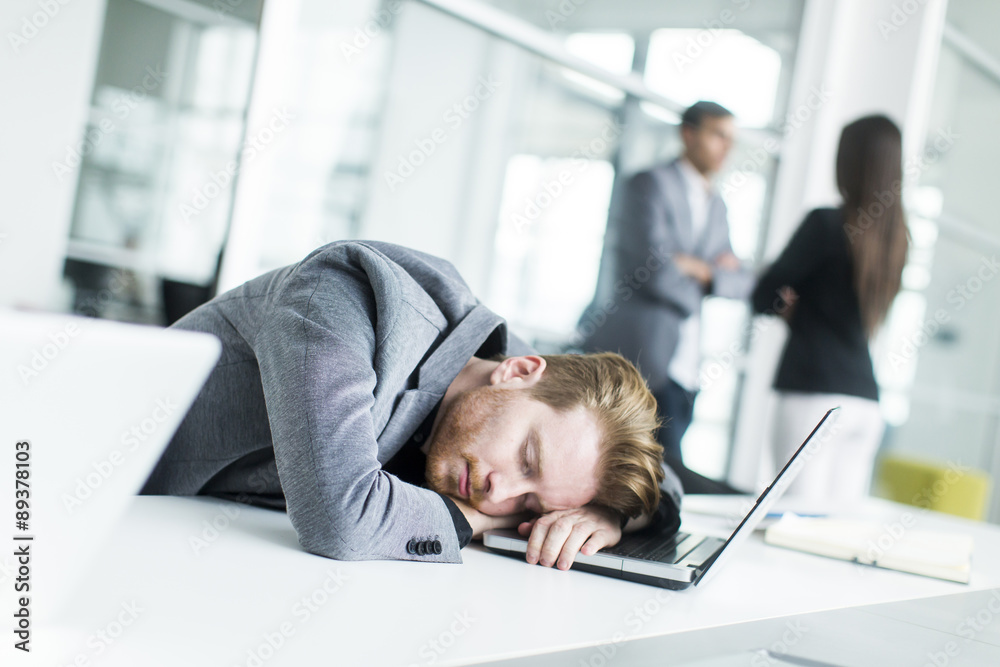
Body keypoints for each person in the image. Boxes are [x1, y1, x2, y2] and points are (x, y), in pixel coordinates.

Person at [141, 240, 684, 569]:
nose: (503, 494)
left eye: (534, 507)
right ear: (519, 370)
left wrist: (605, 514)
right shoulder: (345, 296)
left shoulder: (518, 395)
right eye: (527, 461)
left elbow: (664, 479)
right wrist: (490, 524)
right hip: (114, 502)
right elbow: (339, 519)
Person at [577, 100, 754, 467]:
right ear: (688, 134)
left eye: (731, 139)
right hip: (641, 356)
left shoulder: (717, 205)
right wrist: (709, 273)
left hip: (686, 366)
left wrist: (697, 268)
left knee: (661, 475)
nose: (727, 148)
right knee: (643, 473)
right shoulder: (649, 184)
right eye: (718, 135)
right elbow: (653, 272)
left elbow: (742, 283)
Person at [751, 114, 909, 501]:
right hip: (865, 403)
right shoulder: (898, 237)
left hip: (814, 396)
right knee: (833, 532)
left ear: (848, 162)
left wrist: (790, 309)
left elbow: (763, 294)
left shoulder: (825, 223)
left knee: (793, 521)